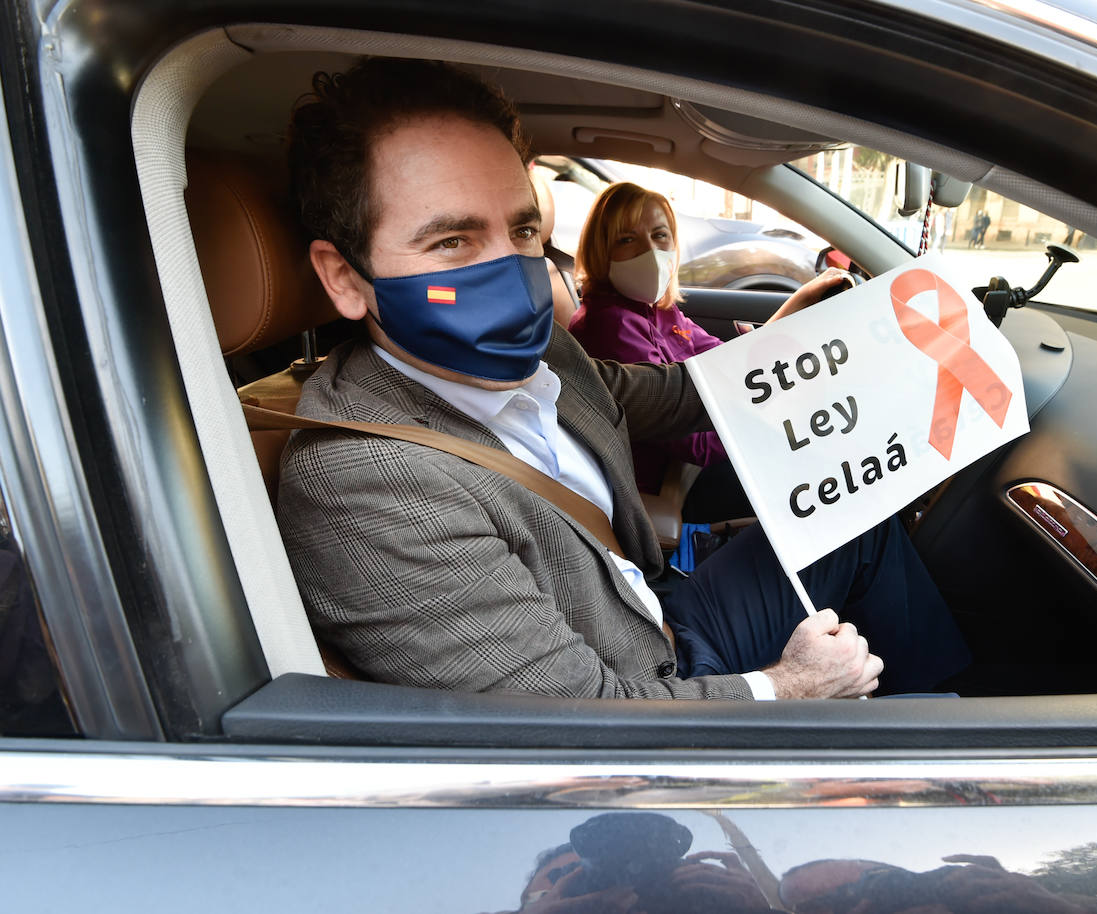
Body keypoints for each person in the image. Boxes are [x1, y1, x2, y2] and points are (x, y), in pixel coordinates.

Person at [278, 57, 969, 700]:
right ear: (345, 278)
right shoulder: (364, 480)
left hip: (658, 611)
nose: (513, 272)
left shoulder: (543, 350)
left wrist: (849, 347)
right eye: (452, 241)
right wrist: (787, 685)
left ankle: (953, 732)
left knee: (858, 524)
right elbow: (588, 726)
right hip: (642, 693)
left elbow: (673, 395)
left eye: (521, 231)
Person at [569, 181, 851, 522]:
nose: (650, 251)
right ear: (602, 250)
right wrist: (766, 426)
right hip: (672, 481)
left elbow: (728, 360)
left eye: (660, 236)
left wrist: (797, 305)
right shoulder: (610, 325)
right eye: (627, 239)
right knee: (824, 469)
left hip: (693, 464)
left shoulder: (659, 310)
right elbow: (691, 442)